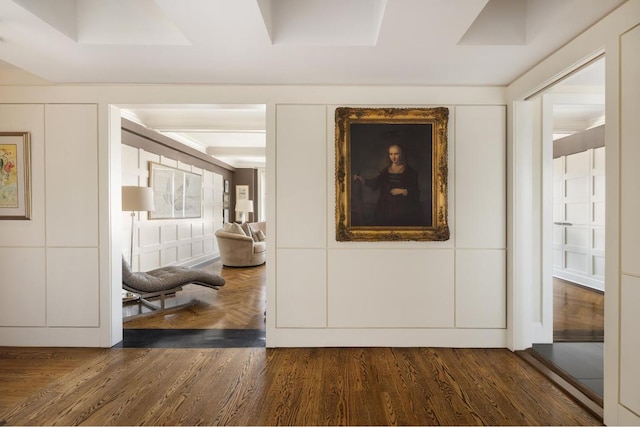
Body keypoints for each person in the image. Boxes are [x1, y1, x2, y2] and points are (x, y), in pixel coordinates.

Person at [354, 143, 423, 226]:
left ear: (402, 154)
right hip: (386, 207)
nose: (393, 157)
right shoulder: (385, 171)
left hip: (403, 208)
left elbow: (416, 192)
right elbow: (376, 183)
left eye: (396, 154)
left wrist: (402, 191)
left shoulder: (411, 172)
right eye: (391, 154)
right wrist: (362, 180)